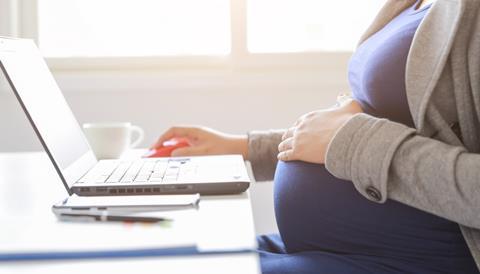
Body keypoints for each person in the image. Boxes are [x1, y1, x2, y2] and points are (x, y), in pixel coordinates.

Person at [151, 0, 480, 272]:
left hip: (408, 260)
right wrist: (246, 148)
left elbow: (354, 135)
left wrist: (354, 141)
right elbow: (365, 124)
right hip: (332, 248)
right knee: (150, 257)